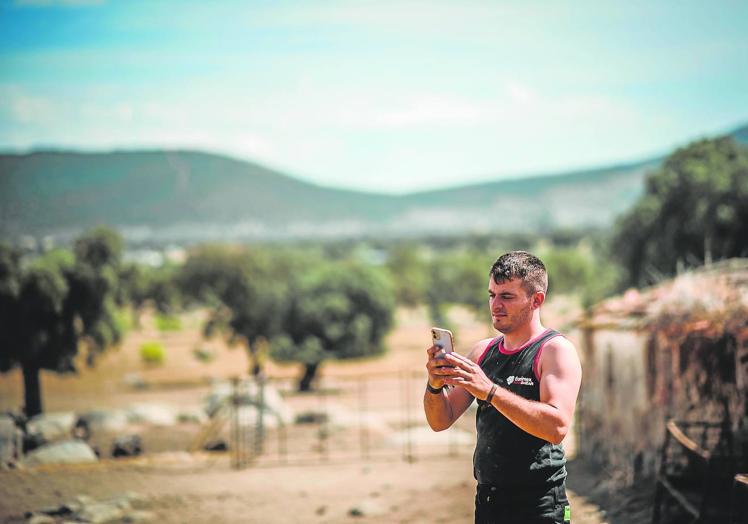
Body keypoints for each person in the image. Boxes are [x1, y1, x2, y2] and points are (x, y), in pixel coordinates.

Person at [424, 251, 582, 524]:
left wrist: (490, 391)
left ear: (537, 300)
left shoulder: (555, 351)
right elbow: (440, 421)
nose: (495, 305)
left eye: (507, 296)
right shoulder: (482, 352)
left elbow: (556, 428)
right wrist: (435, 385)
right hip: (489, 502)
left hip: (540, 504)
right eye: (491, 295)